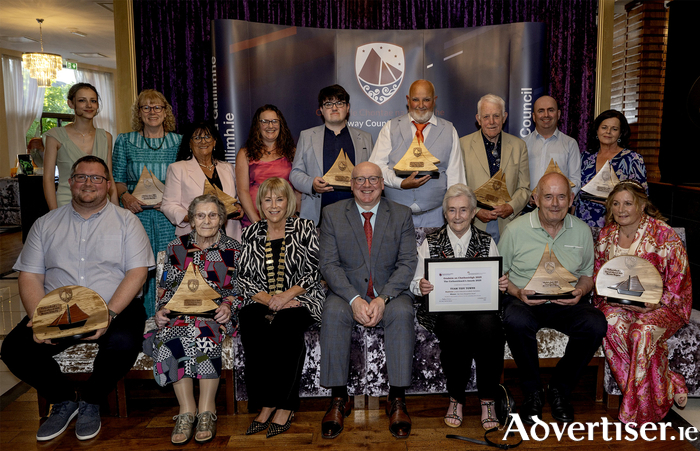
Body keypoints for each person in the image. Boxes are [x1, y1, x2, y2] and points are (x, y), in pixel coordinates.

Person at [1, 155, 153, 442]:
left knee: (122, 343)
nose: (88, 183)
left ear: (108, 185)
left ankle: (92, 400)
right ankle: (64, 400)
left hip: (115, 306)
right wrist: (39, 317)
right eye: (82, 177)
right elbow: (30, 275)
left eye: (97, 178)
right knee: (14, 349)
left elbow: (137, 273)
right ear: (70, 182)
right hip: (59, 310)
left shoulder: (126, 222)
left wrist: (108, 314)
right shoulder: (45, 224)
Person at [498, 172, 607, 424]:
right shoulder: (514, 230)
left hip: (566, 301)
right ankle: (533, 392)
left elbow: (587, 275)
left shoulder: (581, 231)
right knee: (514, 319)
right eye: (548, 196)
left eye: (561, 197)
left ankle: (560, 388)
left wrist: (580, 291)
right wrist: (517, 292)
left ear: (571, 200)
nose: (554, 203)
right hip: (524, 299)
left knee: (595, 323)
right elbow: (498, 275)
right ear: (535, 198)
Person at [319, 161, 417, 439]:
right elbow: (328, 264)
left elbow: (407, 262)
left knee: (402, 313)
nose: (366, 185)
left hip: (390, 293)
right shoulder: (332, 214)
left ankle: (396, 398)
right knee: (333, 312)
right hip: (346, 292)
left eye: (373, 179)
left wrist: (384, 297)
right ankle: (339, 398)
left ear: (382, 184)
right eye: (360, 180)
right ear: (350, 185)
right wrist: (353, 298)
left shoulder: (401, 214)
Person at [143, 194, 241, 445]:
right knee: (172, 338)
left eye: (212, 215)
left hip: (215, 314)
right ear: (191, 220)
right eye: (200, 215)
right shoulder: (177, 247)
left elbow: (241, 289)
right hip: (181, 314)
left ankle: (207, 410)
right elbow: (166, 289)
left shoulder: (234, 249)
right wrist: (162, 310)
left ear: (221, 219)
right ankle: (187, 411)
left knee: (204, 333)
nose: (206, 220)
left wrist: (229, 306)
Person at [592, 180, 692, 424]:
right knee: (610, 323)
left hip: (663, 306)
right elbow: (599, 279)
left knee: (641, 332)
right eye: (615, 203)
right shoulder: (605, 236)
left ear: (642, 205)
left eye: (628, 203)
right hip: (617, 304)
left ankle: (636, 414)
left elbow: (681, 284)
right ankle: (668, 381)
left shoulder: (665, 235)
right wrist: (610, 298)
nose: (621, 209)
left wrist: (655, 303)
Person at [411, 184, 509, 430]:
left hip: (480, 309)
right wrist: (421, 286)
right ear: (445, 214)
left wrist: (501, 283)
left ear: (474, 212)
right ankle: (456, 398)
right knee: (454, 324)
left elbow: (495, 282)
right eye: (452, 210)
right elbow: (414, 281)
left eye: (463, 210)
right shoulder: (429, 242)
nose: (457, 216)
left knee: (490, 325)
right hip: (443, 311)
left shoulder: (486, 241)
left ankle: (488, 399)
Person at [237, 178, 324, 438]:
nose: (274, 205)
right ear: (260, 203)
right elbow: (243, 278)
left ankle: (286, 405)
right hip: (263, 299)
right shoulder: (251, 232)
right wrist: (269, 300)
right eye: (267, 199)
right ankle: (266, 403)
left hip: (302, 297)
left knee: (286, 326)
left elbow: (314, 272)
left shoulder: (306, 227)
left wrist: (286, 297)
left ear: (289, 202)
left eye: (279, 199)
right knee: (250, 320)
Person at [112, 89, 182, 316]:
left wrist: (171, 200)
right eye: (146, 107)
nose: (152, 112)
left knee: (170, 265)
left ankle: (168, 316)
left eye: (157, 107)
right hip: (135, 214)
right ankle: (137, 319)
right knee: (137, 266)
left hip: (168, 218)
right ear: (139, 113)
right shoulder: (125, 140)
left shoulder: (179, 142)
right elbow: (117, 180)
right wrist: (125, 196)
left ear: (165, 111)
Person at [369, 79, 466, 227]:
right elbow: (375, 169)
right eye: (415, 100)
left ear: (434, 100)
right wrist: (400, 183)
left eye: (426, 100)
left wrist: (455, 214)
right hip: (395, 215)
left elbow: (456, 178)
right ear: (408, 100)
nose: (421, 105)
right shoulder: (390, 128)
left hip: (437, 217)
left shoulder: (449, 130)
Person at [290, 84, 374, 225]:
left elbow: (374, 175)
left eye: (339, 103)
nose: (334, 108)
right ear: (321, 110)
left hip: (357, 217)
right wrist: (312, 184)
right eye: (328, 104)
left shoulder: (365, 138)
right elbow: (295, 173)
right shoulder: (307, 136)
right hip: (317, 217)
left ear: (347, 108)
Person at [460, 94, 530, 243]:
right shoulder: (462, 146)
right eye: (486, 117)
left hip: (509, 224)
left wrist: (511, 207)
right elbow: (459, 187)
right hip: (475, 223)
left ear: (504, 117)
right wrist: (476, 211)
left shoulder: (519, 146)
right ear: (478, 119)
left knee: (507, 266)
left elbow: (524, 188)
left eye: (496, 116)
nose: (491, 122)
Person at [162, 121, 243, 241]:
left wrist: (238, 207)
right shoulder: (177, 169)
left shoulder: (228, 167)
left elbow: (236, 198)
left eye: (207, 136)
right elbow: (168, 205)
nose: (203, 141)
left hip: (230, 235)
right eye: (197, 137)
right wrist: (190, 217)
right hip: (194, 235)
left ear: (214, 141)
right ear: (189, 143)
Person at [43, 83, 116, 209]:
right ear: (71, 104)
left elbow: (109, 178)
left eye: (93, 101)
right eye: (82, 100)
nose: (89, 105)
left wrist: (117, 212)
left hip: (101, 205)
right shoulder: (55, 136)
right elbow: (48, 179)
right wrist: (54, 214)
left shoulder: (106, 137)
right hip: (66, 205)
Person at [575, 109, 648, 227]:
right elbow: (575, 191)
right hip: (582, 221)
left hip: (616, 221)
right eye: (604, 127)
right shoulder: (585, 157)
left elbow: (641, 197)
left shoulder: (633, 159)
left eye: (614, 129)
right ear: (597, 130)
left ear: (620, 133)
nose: (608, 132)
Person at [235, 105, 300, 226]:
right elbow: (242, 191)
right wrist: (257, 223)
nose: (270, 126)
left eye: (274, 121)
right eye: (265, 121)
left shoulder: (292, 152)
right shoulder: (245, 154)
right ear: (257, 125)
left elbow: (298, 189)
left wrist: (295, 216)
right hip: (254, 220)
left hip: (286, 220)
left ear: (281, 124)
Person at [523, 95, 581, 212]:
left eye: (551, 110)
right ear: (534, 117)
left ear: (558, 114)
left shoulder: (570, 143)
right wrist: (527, 197)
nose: (546, 115)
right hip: (528, 209)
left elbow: (575, 180)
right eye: (541, 111)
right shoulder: (522, 144)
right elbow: (517, 178)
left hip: (558, 210)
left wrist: (561, 200)